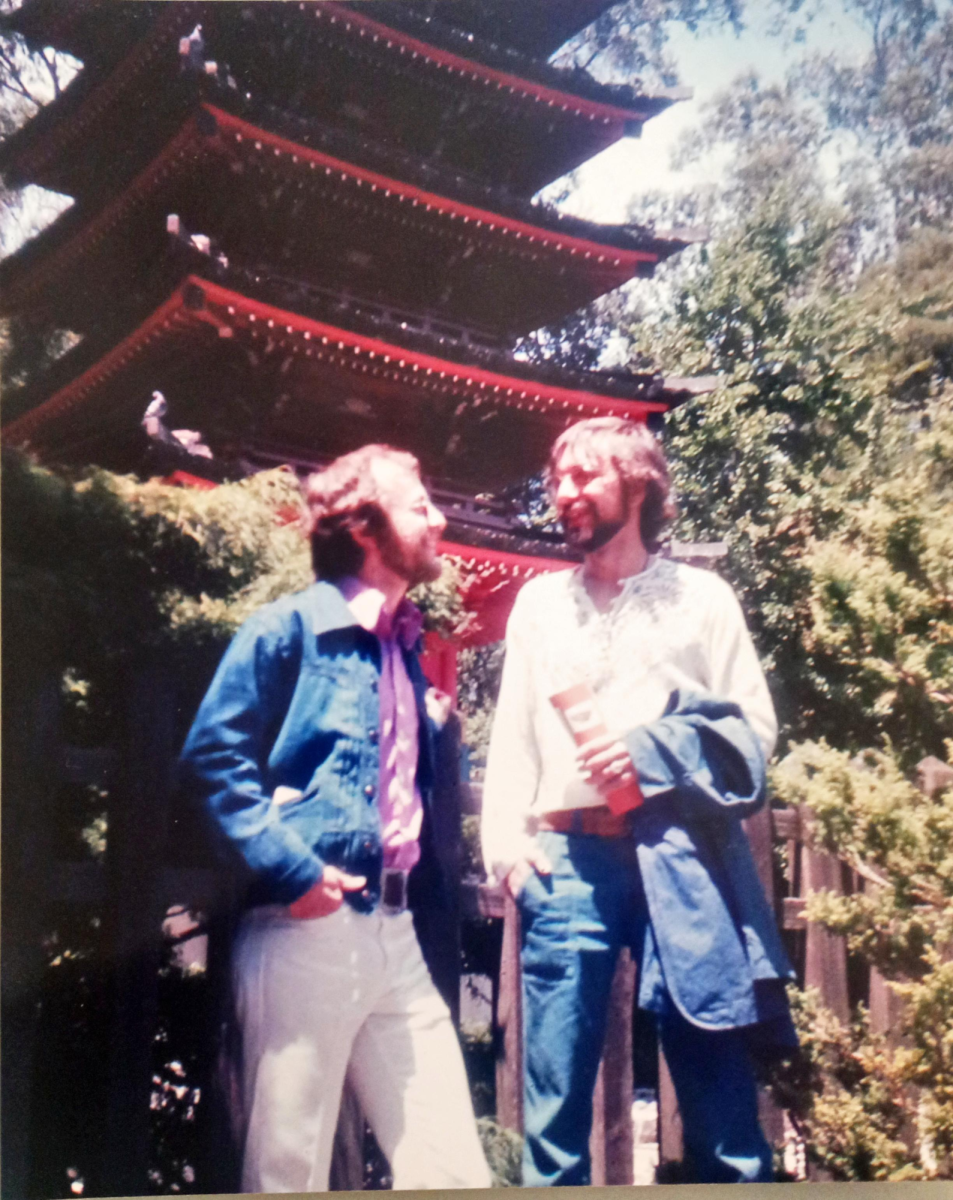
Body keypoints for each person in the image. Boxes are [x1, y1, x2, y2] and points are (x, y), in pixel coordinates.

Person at [481, 417, 796, 1187]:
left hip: (682, 860)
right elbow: (513, 734)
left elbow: (754, 732)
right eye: (557, 480)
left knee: (721, 1105)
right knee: (552, 1123)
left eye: (584, 476)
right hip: (564, 861)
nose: (564, 494)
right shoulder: (538, 605)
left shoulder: (702, 600)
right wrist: (505, 847)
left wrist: (650, 753)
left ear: (637, 484)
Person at [181, 445, 491, 1194]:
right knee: (288, 1172)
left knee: (450, 1167)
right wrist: (291, 870)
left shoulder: (404, 645)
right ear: (363, 525)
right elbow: (210, 759)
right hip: (305, 927)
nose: (438, 517)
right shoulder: (284, 630)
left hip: (396, 932)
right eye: (418, 504)